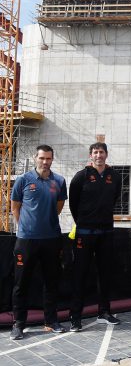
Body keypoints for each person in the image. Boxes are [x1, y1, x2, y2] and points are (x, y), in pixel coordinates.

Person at [10, 145, 69, 340]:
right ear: (35, 158)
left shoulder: (59, 181)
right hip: (26, 240)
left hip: (51, 239)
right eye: (42, 158)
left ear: (52, 159)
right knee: (21, 284)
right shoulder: (23, 180)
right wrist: (25, 227)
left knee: (51, 282)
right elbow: (15, 207)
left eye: (48, 158)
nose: (45, 162)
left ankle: (51, 321)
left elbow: (58, 207)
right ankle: (19, 324)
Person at [68, 142, 123, 332]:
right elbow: (73, 204)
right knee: (80, 275)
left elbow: (114, 199)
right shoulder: (81, 176)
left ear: (106, 155)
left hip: (106, 233)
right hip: (84, 234)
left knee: (105, 274)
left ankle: (104, 312)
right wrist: (84, 221)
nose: (99, 155)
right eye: (95, 152)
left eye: (101, 152)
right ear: (90, 155)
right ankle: (75, 317)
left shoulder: (115, 176)